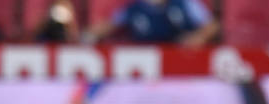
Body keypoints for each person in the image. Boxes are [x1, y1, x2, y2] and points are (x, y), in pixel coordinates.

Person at [88, 0, 219, 46]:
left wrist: (198, 37)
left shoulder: (185, 3)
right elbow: (110, 24)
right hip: (148, 69)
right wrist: (88, 35)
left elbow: (212, 26)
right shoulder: (134, 8)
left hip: (182, 67)